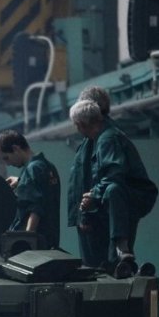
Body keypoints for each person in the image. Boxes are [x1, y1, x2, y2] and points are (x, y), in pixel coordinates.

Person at [71, 99, 159, 277]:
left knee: (112, 189)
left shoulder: (107, 139)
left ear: (82, 124)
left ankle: (121, 248)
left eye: (76, 124)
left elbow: (114, 174)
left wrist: (94, 195)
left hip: (133, 195)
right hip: (118, 198)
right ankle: (118, 266)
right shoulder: (99, 140)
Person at [66, 86, 113, 268]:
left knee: (99, 269)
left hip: (95, 218)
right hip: (89, 216)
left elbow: (95, 178)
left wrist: (86, 215)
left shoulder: (104, 139)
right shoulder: (91, 140)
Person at [0, 129, 61, 250]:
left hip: (34, 243)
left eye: (6, 158)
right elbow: (42, 191)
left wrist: (27, 240)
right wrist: (21, 181)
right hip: (49, 239)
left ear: (15, 148)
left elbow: (35, 207)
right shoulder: (47, 166)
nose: (8, 164)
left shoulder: (32, 169)